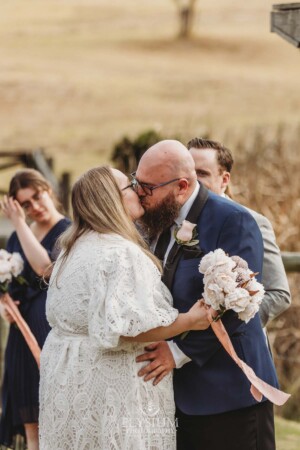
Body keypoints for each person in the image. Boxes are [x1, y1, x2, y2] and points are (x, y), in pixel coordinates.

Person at [38, 166, 210, 450]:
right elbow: (125, 329)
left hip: (69, 380)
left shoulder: (71, 251)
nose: (138, 190)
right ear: (111, 199)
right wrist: (190, 320)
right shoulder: (119, 253)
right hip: (112, 386)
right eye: (129, 185)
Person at [134, 140, 279, 450]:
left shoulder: (233, 220)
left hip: (229, 396)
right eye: (137, 183)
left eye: (147, 187)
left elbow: (240, 307)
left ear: (183, 186)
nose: (139, 194)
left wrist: (176, 353)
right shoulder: (155, 219)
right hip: (174, 397)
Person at [0, 169, 70, 450]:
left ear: (49, 191)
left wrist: (19, 222)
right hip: (21, 334)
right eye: (25, 205)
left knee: (54, 416)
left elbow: (45, 269)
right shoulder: (19, 236)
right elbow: (10, 283)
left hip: (50, 331)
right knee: (31, 421)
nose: (35, 207)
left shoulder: (68, 230)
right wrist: (5, 309)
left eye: (37, 197)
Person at [187, 137, 291, 327]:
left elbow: (279, 294)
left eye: (202, 173)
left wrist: (227, 328)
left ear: (225, 179)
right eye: (190, 172)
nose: (194, 180)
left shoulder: (254, 222)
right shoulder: (175, 220)